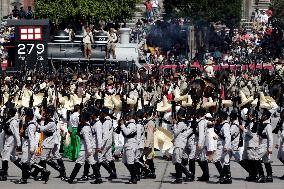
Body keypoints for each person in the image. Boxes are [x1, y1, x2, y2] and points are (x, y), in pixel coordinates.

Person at [67, 111, 100, 184]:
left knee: (79, 162)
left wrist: (89, 150)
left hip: (85, 148)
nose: (79, 118)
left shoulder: (85, 128)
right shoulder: (88, 126)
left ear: (84, 118)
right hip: (88, 147)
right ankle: (98, 177)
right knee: (92, 162)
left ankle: (71, 178)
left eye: (81, 117)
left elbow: (87, 140)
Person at [171, 108, 193, 184]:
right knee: (176, 161)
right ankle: (181, 176)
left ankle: (182, 176)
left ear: (180, 115)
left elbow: (176, 132)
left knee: (177, 161)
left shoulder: (181, 123)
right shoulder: (184, 123)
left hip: (179, 144)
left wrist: (174, 124)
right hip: (179, 143)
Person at [0, 108, 22, 181]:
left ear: (10, 113)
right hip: (9, 140)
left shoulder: (13, 122)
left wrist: (19, 143)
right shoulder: (10, 120)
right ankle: (26, 169)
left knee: (5, 157)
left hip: (10, 141)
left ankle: (4, 175)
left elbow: (16, 133)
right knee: (13, 158)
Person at [119, 111, 138, 184]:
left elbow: (127, 132)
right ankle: (134, 175)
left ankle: (134, 178)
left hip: (130, 145)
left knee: (130, 162)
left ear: (130, 117)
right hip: (127, 145)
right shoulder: (129, 124)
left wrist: (123, 125)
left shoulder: (132, 124)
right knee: (124, 161)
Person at [255, 108, 273, 183]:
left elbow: (270, 138)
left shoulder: (267, 125)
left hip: (265, 145)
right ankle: (269, 176)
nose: (261, 116)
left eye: (263, 115)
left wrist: (270, 148)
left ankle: (262, 176)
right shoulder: (262, 124)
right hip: (262, 145)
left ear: (266, 116)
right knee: (266, 160)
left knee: (256, 158)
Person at [213, 111, 232, 184]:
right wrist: (216, 138)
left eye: (219, 117)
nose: (218, 118)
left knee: (215, 159)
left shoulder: (225, 125)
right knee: (225, 161)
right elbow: (222, 136)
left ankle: (223, 176)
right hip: (222, 144)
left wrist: (226, 146)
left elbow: (228, 137)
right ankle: (227, 178)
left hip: (223, 146)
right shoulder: (223, 124)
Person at [274, 109, 284, 179]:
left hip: (283, 141)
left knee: (282, 157)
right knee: (280, 157)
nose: (281, 114)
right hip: (281, 141)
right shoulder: (281, 121)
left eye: (282, 113)